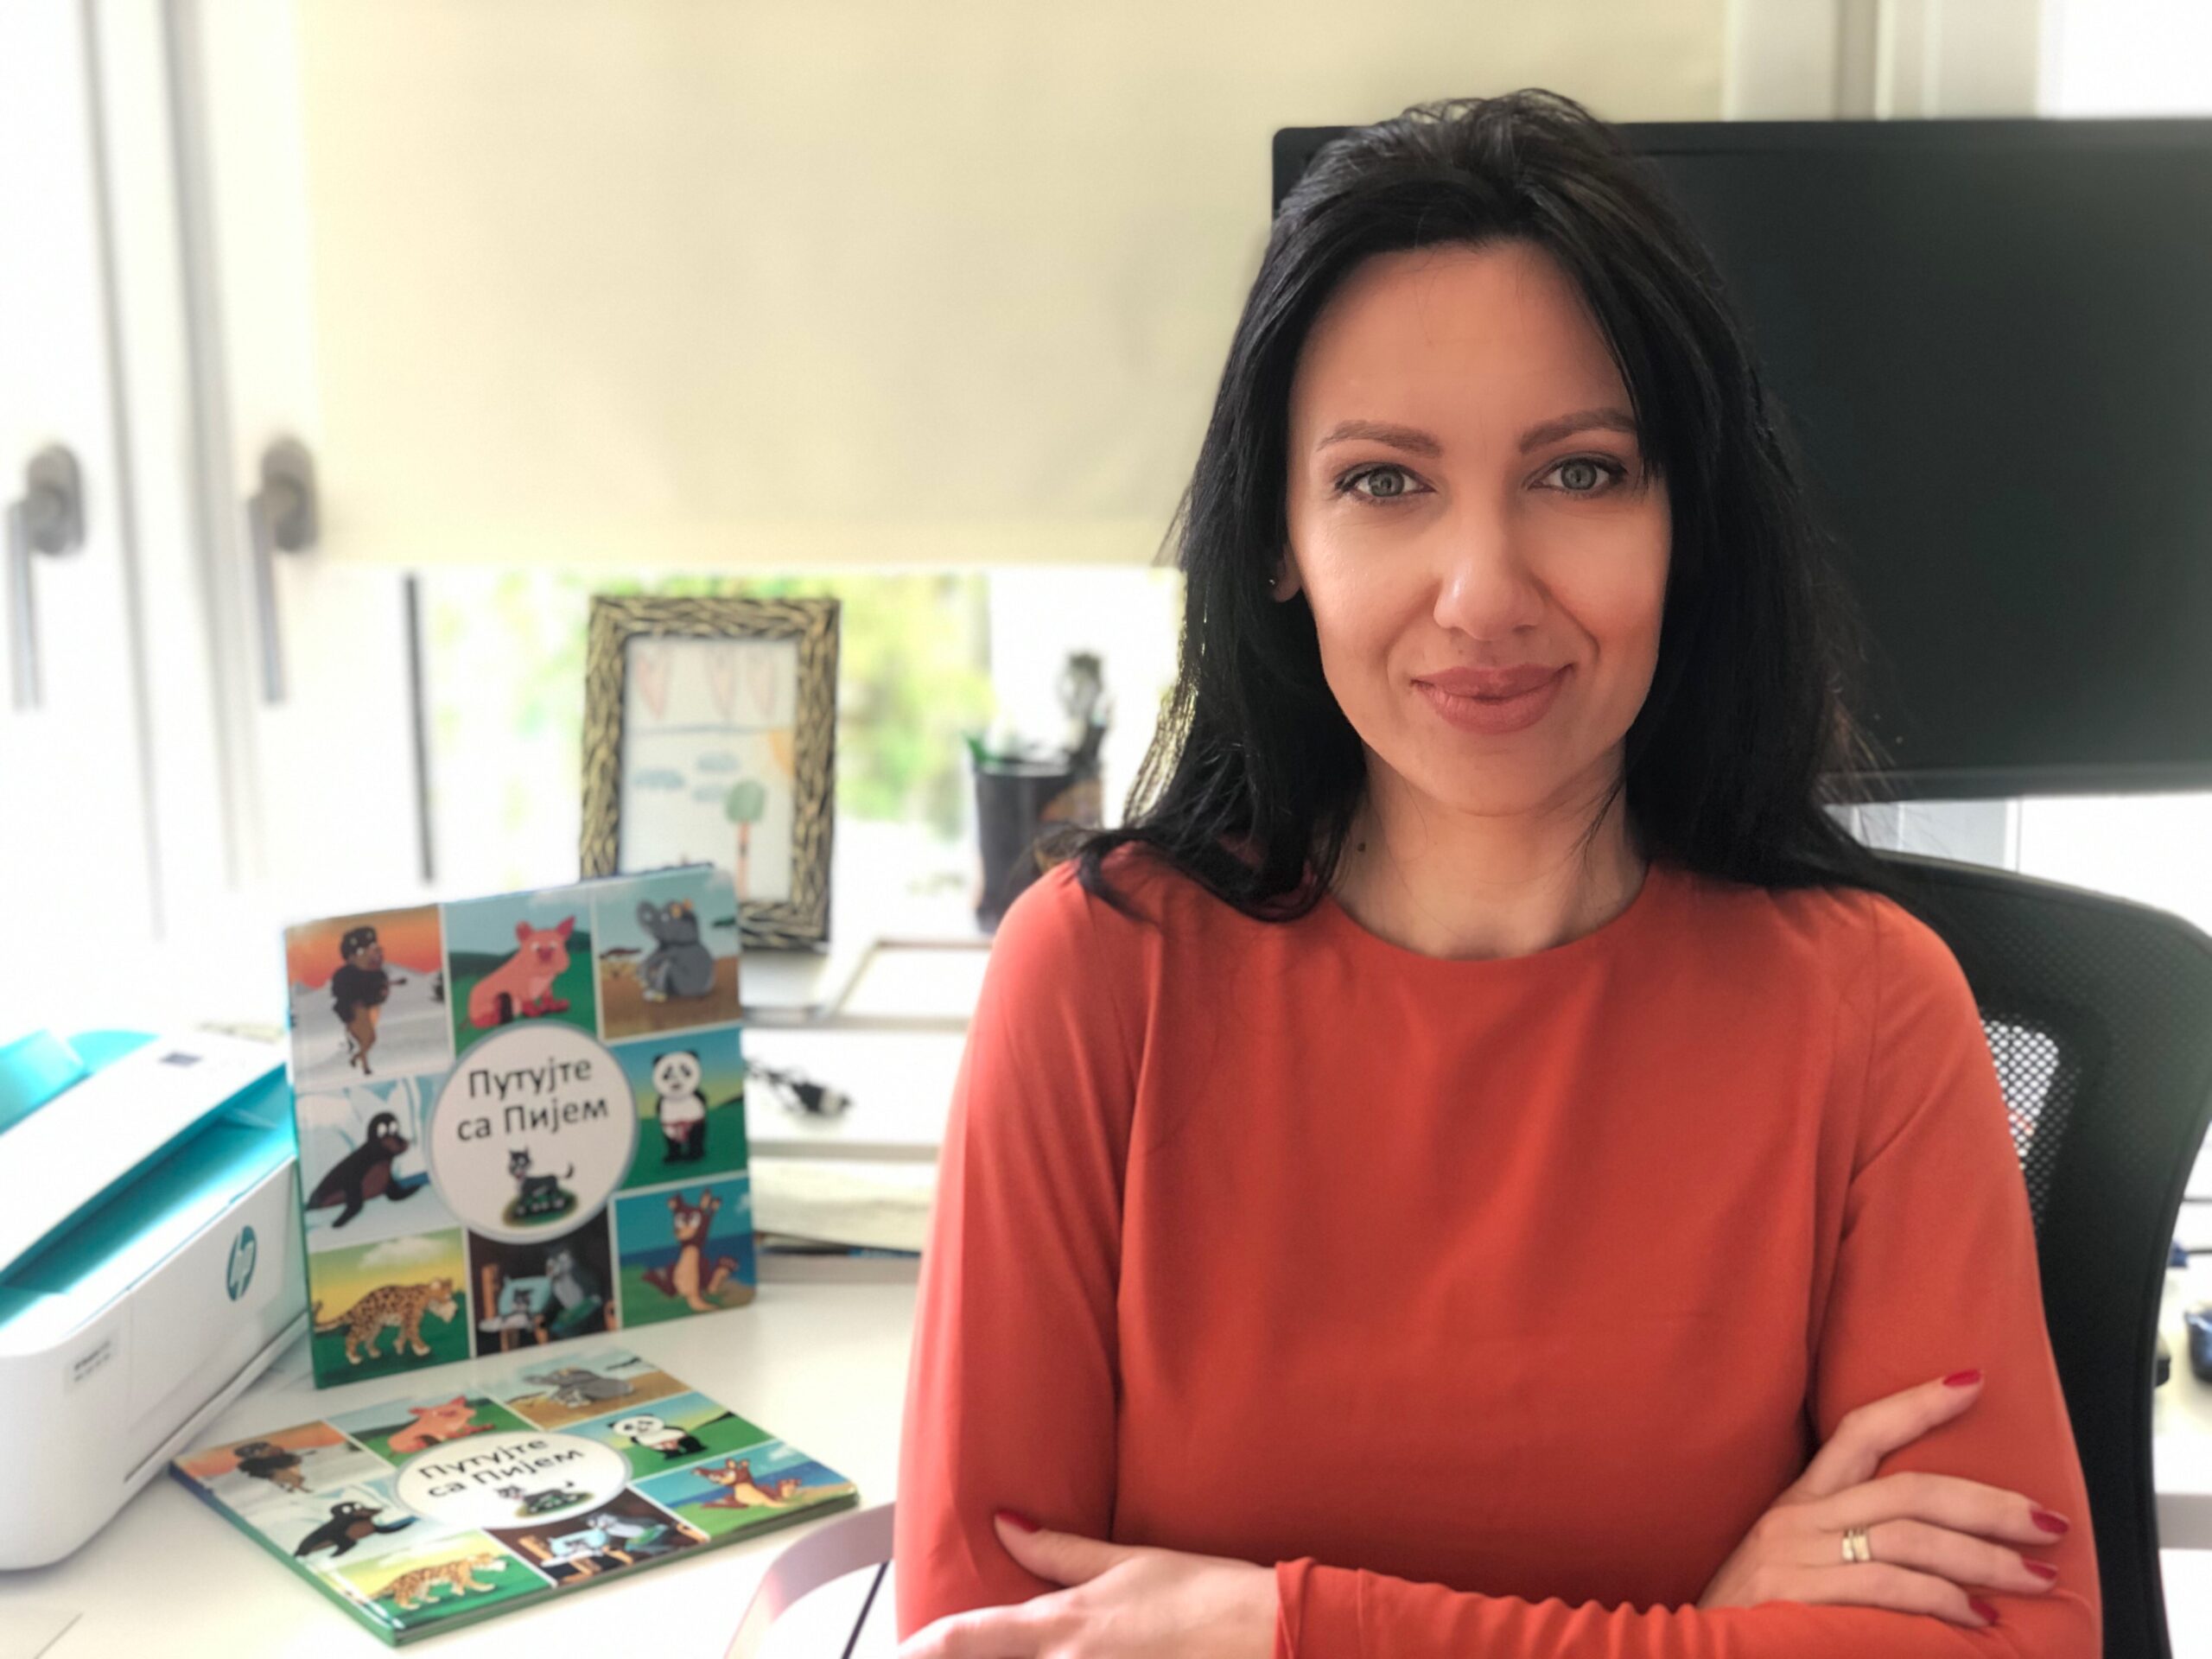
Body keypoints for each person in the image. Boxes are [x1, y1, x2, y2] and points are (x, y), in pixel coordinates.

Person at [893, 90, 2100, 1657]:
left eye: (1581, 474)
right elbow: (991, 1640)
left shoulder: (1873, 1011)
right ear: (1278, 539)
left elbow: (2010, 1640)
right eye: (1383, 481)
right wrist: (1701, 1630)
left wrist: (1278, 1629)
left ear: (1689, 526)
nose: (1482, 593)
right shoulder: (1096, 979)